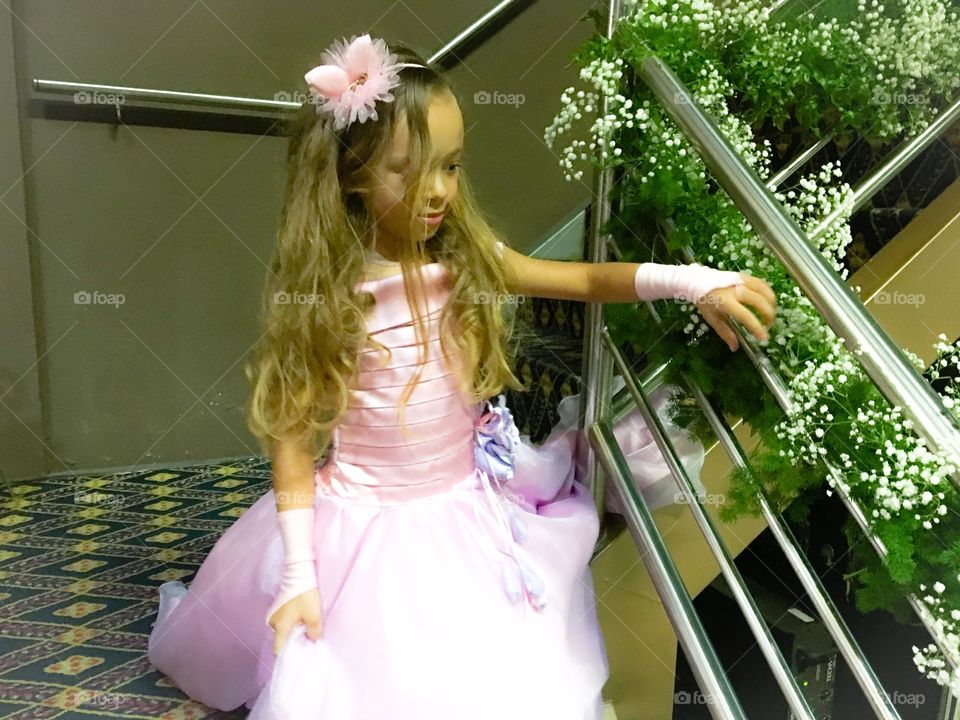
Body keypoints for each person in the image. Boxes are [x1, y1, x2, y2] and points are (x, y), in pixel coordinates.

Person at [146, 33, 777, 720]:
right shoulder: (330, 296)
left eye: (450, 166)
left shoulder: (466, 258)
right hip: (367, 523)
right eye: (409, 171)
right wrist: (299, 572)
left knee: (503, 674)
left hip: (468, 507)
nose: (438, 191)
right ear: (353, 173)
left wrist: (692, 282)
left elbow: (584, 278)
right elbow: (294, 440)